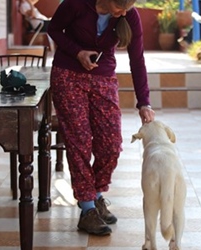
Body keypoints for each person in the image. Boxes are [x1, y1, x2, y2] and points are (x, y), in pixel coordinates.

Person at [47, 0, 155, 236]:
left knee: (111, 144)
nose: (124, 12)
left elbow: (137, 59)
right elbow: (53, 29)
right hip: (68, 75)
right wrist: (78, 52)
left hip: (103, 78)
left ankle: (95, 195)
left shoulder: (130, 16)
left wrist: (143, 102)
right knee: (79, 142)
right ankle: (87, 210)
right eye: (120, 6)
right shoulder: (75, 4)